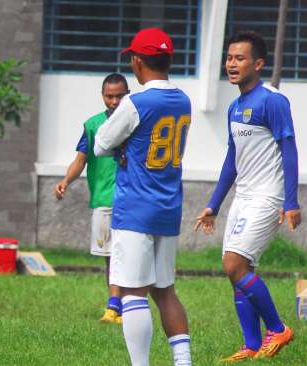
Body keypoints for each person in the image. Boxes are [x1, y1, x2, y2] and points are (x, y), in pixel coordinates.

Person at [194, 30, 299, 362]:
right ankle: (251, 345)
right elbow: (232, 159)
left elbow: (290, 150)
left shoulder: (273, 100)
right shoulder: (235, 107)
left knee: (234, 264)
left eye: (239, 58)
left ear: (259, 63)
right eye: (229, 58)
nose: (232, 64)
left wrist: (292, 201)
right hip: (243, 198)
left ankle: (278, 328)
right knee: (237, 271)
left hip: (267, 197)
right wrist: (213, 204)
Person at [94, 28, 192, 366]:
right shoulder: (184, 99)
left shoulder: (135, 102)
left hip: (135, 208)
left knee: (133, 292)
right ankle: (183, 362)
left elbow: (100, 144)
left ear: (137, 62)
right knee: (165, 291)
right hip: (169, 207)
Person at [54, 73, 129, 324]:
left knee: (127, 254)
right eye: (110, 96)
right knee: (110, 255)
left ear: (127, 94)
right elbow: (80, 161)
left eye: (120, 95)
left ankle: (122, 306)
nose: (115, 101)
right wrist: (65, 181)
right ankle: (114, 307)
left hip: (131, 198)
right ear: (103, 96)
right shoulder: (93, 125)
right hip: (104, 199)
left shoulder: (136, 122)